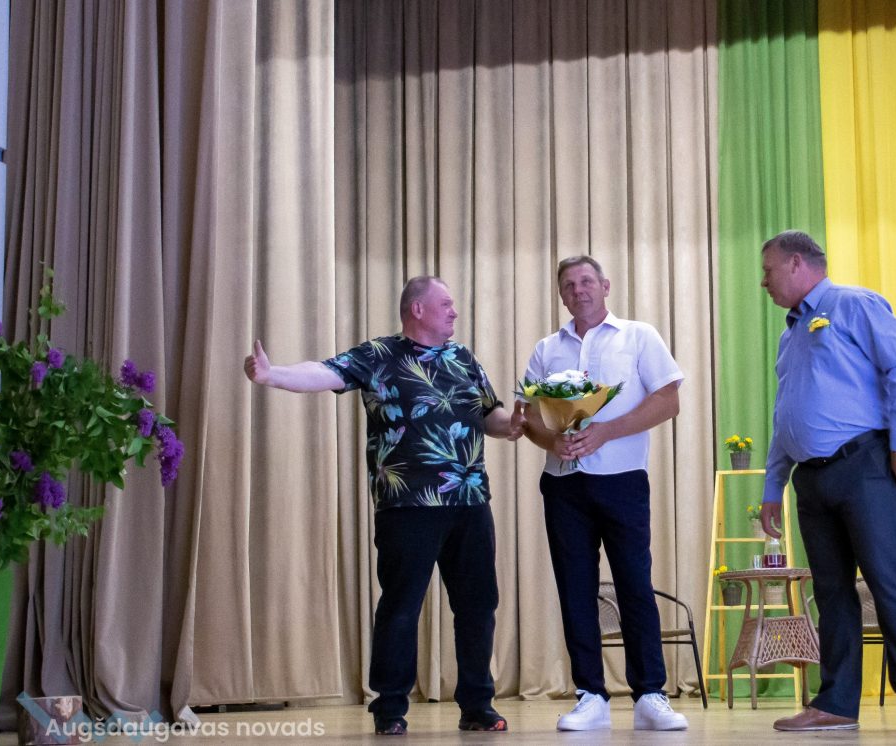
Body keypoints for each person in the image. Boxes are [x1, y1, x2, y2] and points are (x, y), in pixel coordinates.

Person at [243, 276, 519, 737]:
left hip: (470, 500)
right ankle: (390, 707)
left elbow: (489, 414)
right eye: (445, 304)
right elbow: (324, 372)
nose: (454, 311)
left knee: (478, 606)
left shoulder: (464, 358)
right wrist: (273, 375)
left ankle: (478, 705)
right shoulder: (379, 355)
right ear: (417, 309)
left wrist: (514, 425)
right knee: (400, 606)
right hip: (407, 504)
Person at [757, 231, 896, 732]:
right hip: (811, 480)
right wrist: (774, 485)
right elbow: (785, 413)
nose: (764, 282)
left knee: (884, 579)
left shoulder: (854, 304)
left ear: (796, 263)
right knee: (831, 591)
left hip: (862, 466)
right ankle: (836, 703)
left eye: (768, 271)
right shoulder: (789, 334)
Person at [514, 256, 688, 732]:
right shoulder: (547, 348)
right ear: (561, 295)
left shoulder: (639, 336)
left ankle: (650, 694)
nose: (579, 290)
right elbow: (527, 414)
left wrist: (606, 431)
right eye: (569, 284)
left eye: (587, 281)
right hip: (563, 483)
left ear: (605, 285)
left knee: (635, 585)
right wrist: (551, 440)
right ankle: (590, 694)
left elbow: (668, 400)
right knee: (575, 589)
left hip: (622, 479)